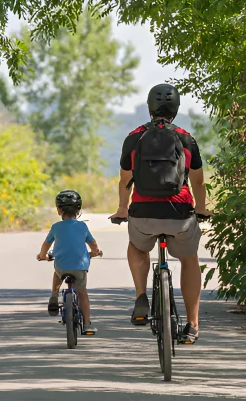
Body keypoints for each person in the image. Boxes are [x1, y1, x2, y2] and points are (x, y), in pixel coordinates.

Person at [109, 83, 209, 344]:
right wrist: (201, 209)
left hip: (143, 213)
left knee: (137, 246)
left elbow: (125, 181)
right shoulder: (186, 139)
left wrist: (122, 210)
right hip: (180, 213)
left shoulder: (134, 138)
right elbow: (198, 182)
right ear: (176, 108)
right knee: (189, 258)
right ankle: (192, 324)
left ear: (149, 108)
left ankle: (141, 296)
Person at [37, 189, 102, 334]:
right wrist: (95, 252)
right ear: (78, 210)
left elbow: (46, 244)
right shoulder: (82, 226)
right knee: (82, 294)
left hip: (61, 266)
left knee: (57, 274)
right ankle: (87, 325)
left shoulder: (56, 227)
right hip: (80, 267)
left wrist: (42, 255)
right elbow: (93, 244)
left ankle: (54, 296)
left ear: (59, 210)